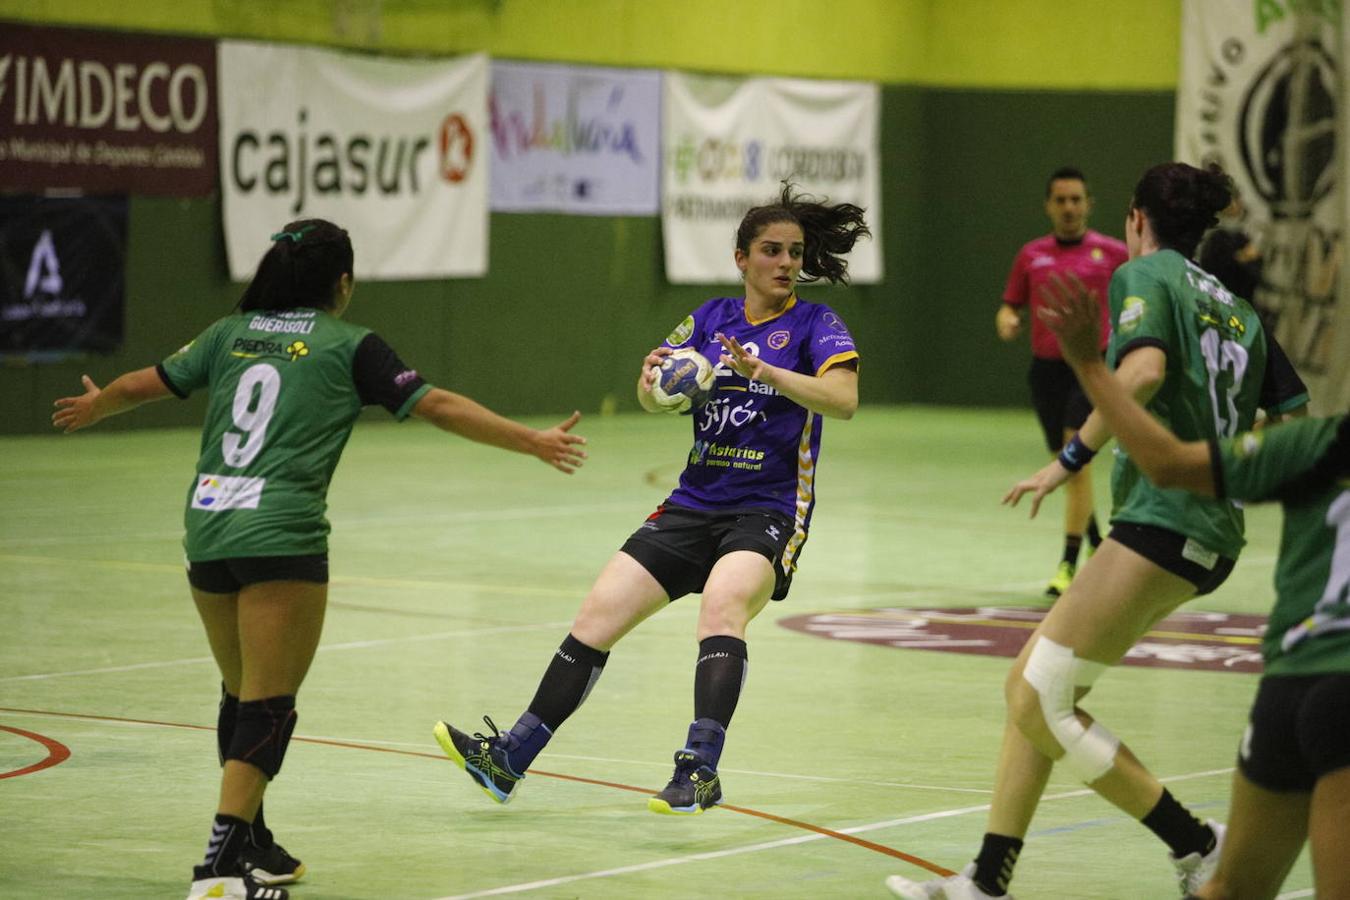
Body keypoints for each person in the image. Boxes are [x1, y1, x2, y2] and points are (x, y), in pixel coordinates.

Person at [51, 219, 588, 900]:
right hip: (281, 534)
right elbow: (439, 405)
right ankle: (216, 871)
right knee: (269, 705)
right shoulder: (348, 345)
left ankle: (253, 844)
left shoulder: (227, 333)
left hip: (209, 527)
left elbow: (141, 383)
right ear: (342, 282)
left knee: (241, 692)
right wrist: (530, 442)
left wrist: (97, 406)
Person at [886, 162, 1307, 900]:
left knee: (1038, 694)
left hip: (1163, 517)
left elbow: (1140, 373)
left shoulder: (1144, 277)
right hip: (1208, 528)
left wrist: (1070, 455)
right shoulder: (1237, 308)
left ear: (1137, 219)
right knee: (1036, 687)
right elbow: (1291, 414)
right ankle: (988, 877)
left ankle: (1196, 842)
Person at [433, 183, 867, 815]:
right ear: (741, 257)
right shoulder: (710, 319)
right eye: (771, 251)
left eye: (795, 253)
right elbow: (656, 395)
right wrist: (650, 383)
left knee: (722, 607)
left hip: (768, 508)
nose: (785, 263)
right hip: (693, 502)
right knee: (596, 617)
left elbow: (845, 400)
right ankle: (508, 761)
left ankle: (699, 770)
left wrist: (766, 373)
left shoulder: (815, 324)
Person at [1038, 272, 1349, 900]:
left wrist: (1090, 366)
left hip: (1287, 695)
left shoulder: (1320, 444)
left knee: (1230, 888)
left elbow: (1166, 463)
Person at [997, 166, 1128, 598]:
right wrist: (1009, 320)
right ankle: (1099, 546)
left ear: (1089, 204)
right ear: (1049, 206)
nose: (1069, 207)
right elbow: (1009, 304)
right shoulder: (1031, 255)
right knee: (1068, 467)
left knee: (1078, 461)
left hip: (1090, 369)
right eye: (1061, 200)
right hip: (1046, 372)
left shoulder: (1112, 254)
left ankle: (1069, 565)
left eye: (1077, 199)